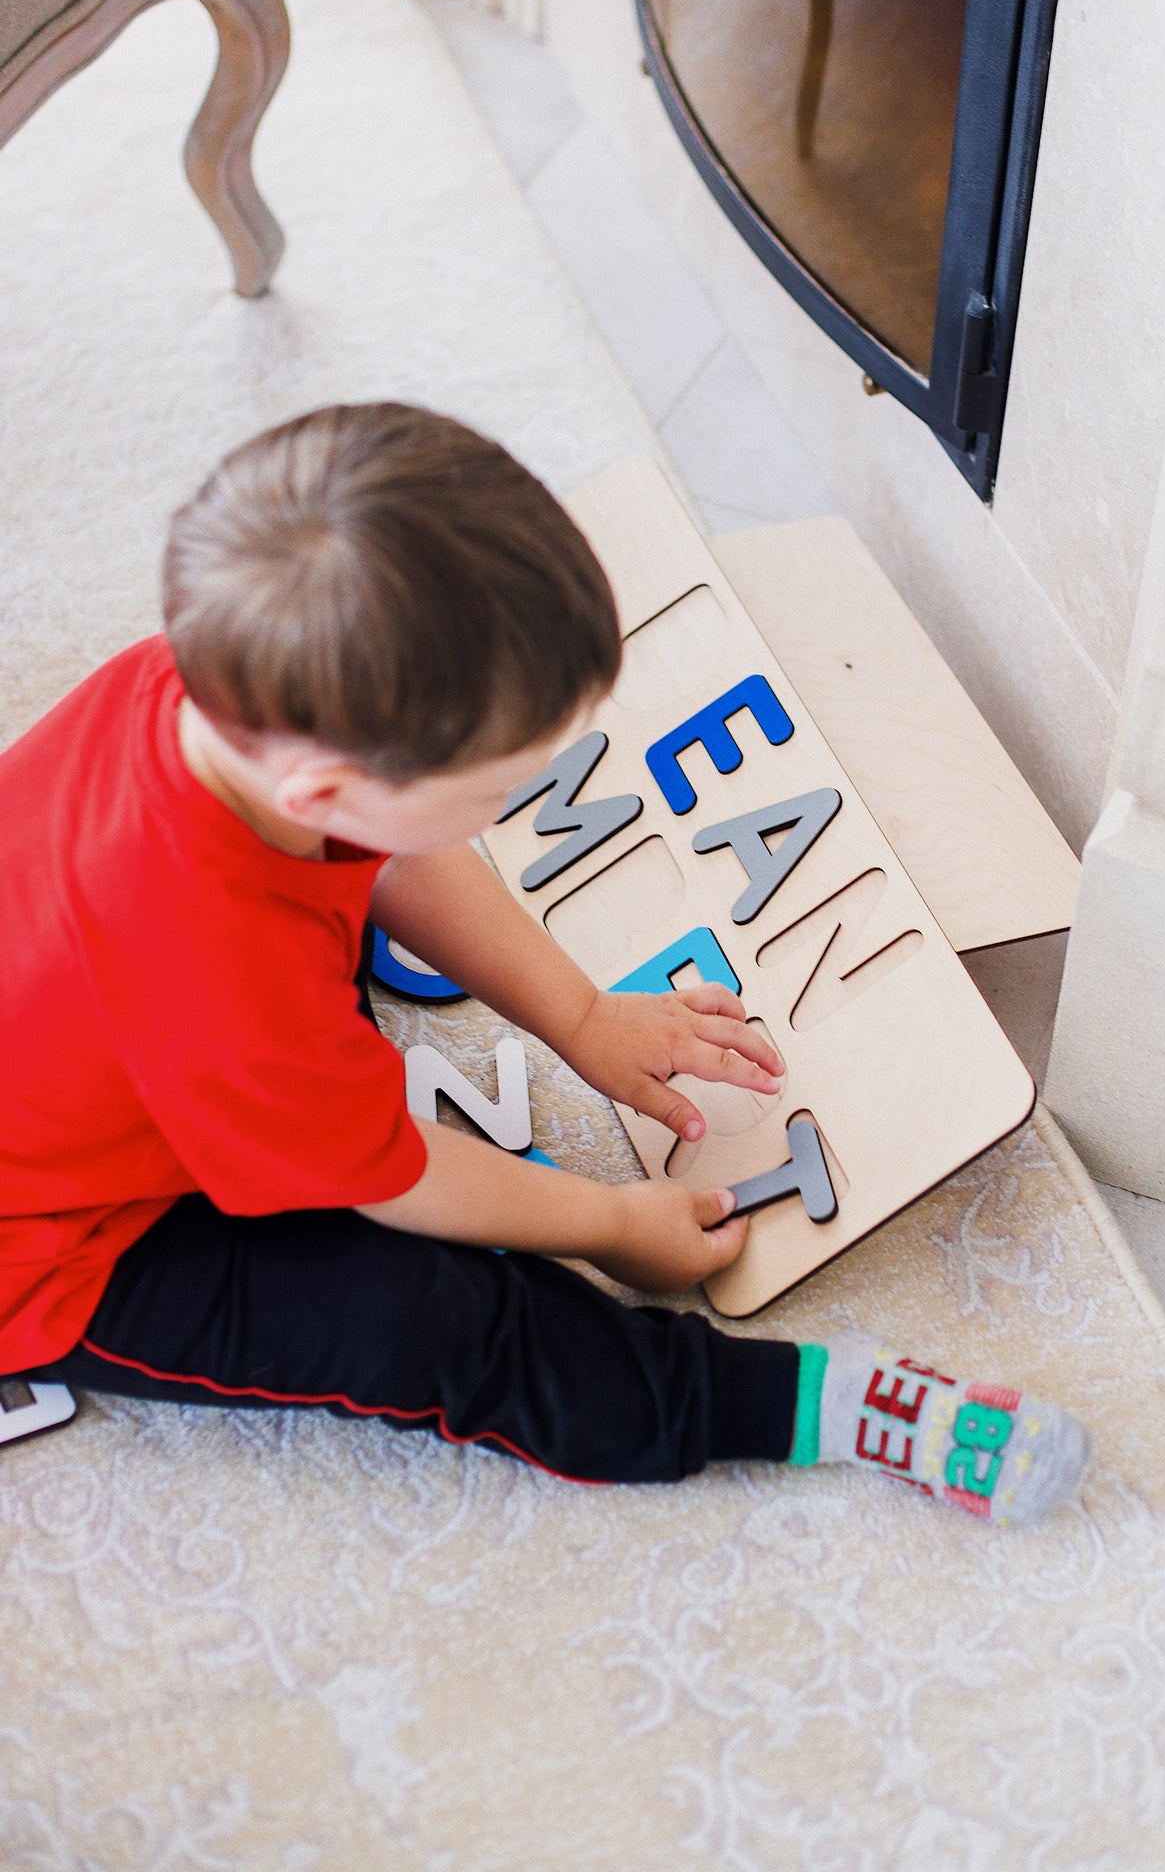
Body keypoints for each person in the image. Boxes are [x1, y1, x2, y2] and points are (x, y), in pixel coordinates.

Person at [1, 402, 1089, 1520]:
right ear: (322, 792)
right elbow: (395, 1176)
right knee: (425, 1318)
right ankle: (805, 1402)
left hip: (141, 1044)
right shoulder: (213, 976)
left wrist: (578, 1014)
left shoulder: (212, 692)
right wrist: (611, 1224)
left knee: (336, 1034)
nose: (509, 803)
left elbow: (396, 853)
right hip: (61, 1246)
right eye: (495, 784)